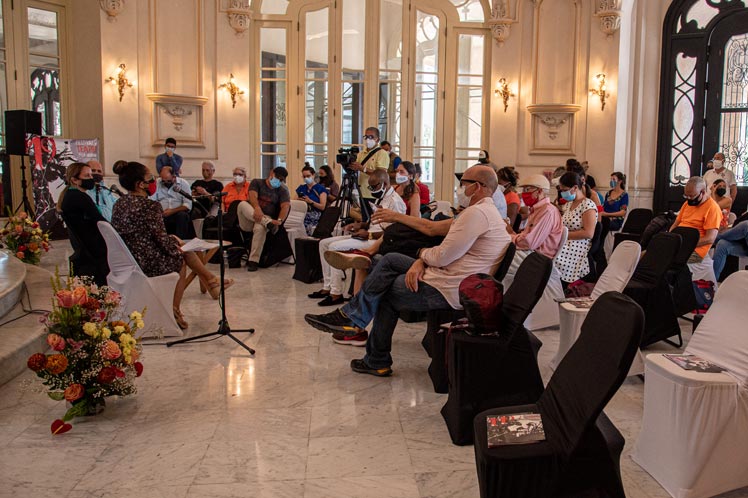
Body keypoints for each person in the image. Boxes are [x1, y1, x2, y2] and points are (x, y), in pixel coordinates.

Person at [304, 165, 511, 372]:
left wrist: (421, 255)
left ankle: (372, 353)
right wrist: (422, 260)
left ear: (477, 186)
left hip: (450, 287)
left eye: (462, 184)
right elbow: (441, 244)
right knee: (390, 259)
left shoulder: (476, 214)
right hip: (455, 276)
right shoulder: (485, 212)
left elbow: (442, 256)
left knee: (384, 291)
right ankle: (355, 319)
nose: (460, 189)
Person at [111, 162, 233, 329]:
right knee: (180, 257)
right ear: (140, 184)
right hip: (146, 260)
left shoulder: (120, 204)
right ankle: (175, 309)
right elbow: (162, 241)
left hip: (129, 256)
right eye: (150, 179)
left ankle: (211, 282)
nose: (154, 181)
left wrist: (173, 240)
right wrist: (175, 241)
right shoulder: (150, 206)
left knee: (180, 249)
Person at [308, 169, 406, 306]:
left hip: (376, 240)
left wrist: (369, 234)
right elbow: (374, 222)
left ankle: (336, 293)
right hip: (368, 235)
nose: (372, 189)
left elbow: (394, 232)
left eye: (375, 186)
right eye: (370, 187)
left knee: (333, 248)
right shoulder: (382, 197)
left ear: (384, 184)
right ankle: (327, 286)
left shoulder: (395, 202)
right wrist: (360, 225)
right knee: (323, 243)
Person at [58, 162, 109, 286]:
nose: (91, 179)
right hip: (92, 252)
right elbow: (99, 221)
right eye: (87, 176)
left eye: (91, 175)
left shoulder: (71, 195)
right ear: (75, 180)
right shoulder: (79, 197)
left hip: (86, 250)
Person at [503, 173, 564, 274]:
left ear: (539, 191)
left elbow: (530, 243)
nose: (523, 194)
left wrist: (510, 237)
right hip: (531, 252)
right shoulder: (537, 210)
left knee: (499, 258)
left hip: (538, 258)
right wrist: (513, 235)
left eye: (527, 190)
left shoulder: (547, 211)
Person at [237, 167, 291, 272]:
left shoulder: (283, 190)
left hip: (265, 219)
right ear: (271, 173)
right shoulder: (257, 182)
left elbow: (285, 206)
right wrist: (257, 208)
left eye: (281, 180)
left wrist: (279, 221)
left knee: (260, 228)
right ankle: (266, 222)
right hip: (249, 217)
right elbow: (252, 196)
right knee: (242, 204)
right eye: (277, 178)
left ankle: (253, 261)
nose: (278, 181)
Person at [554, 172, 597, 286]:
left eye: (564, 190)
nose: (562, 193)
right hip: (564, 241)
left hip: (578, 245)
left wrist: (563, 235)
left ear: (575, 188)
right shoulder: (568, 205)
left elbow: (588, 233)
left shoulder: (588, 205)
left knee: (555, 258)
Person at [670, 176, 722, 263]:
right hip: (678, 243)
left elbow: (710, 238)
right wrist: (670, 238)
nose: (688, 199)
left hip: (695, 250)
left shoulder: (712, 208)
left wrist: (685, 244)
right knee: (648, 253)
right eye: (686, 196)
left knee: (663, 260)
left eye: (691, 196)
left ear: (702, 192)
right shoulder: (687, 204)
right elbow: (676, 224)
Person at [346, 127, 391, 199]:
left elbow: (381, 175)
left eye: (371, 137)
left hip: (374, 193)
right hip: (362, 192)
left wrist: (363, 169)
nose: (368, 139)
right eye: (366, 137)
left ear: (378, 139)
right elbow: (356, 168)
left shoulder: (382, 153)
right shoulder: (361, 153)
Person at [150, 166, 193, 239]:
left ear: (174, 176)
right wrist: (159, 211)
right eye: (164, 181)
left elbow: (188, 205)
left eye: (168, 181)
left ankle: (180, 241)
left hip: (177, 213)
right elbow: (152, 200)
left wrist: (172, 211)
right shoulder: (158, 182)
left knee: (182, 216)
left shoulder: (183, 183)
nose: (166, 183)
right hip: (161, 213)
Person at [295, 164, 328, 235]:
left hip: (315, 214)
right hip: (302, 212)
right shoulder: (301, 188)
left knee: (305, 221)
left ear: (313, 175)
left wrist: (310, 201)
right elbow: (294, 201)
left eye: (308, 176)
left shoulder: (320, 189)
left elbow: (322, 207)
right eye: (304, 177)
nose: (306, 178)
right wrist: (299, 201)